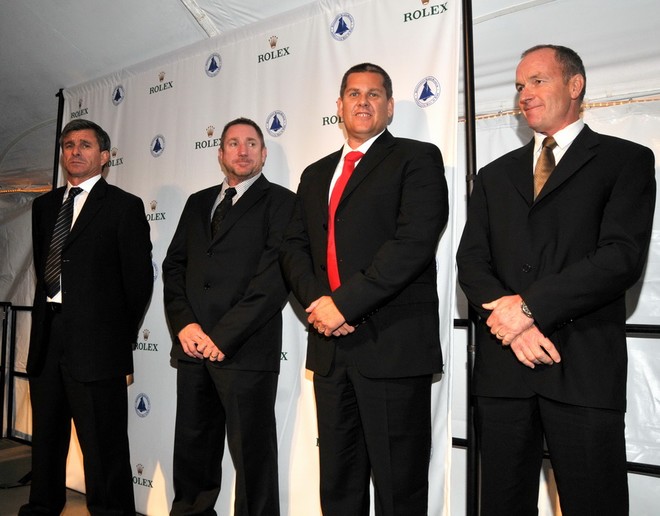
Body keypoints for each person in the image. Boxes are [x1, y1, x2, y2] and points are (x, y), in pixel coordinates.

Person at [456, 44, 656, 515]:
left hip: (582, 367)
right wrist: (515, 325)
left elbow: (621, 258)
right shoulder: (492, 175)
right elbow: (471, 263)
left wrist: (526, 309)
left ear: (575, 85)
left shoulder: (624, 160)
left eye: (537, 81)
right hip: (504, 371)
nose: (524, 94)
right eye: (520, 86)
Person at [280, 63, 448, 516]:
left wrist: (344, 304)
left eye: (375, 95)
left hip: (392, 345)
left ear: (390, 107)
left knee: (399, 486)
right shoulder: (315, 174)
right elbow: (293, 246)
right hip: (331, 350)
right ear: (339, 106)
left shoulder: (418, 158)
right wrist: (319, 304)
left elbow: (412, 245)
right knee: (338, 481)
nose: (363, 102)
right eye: (354, 93)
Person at [163, 117, 295, 516]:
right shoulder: (198, 202)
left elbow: (274, 279)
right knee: (193, 448)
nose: (243, 150)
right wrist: (185, 325)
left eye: (251, 143)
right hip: (193, 348)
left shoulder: (283, 203)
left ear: (264, 153)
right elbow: (174, 267)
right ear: (220, 154)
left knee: (252, 457)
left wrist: (223, 336)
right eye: (233, 143)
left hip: (245, 350)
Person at [22, 119, 153, 515]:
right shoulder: (43, 206)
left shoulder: (123, 206)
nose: (74, 151)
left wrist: (115, 339)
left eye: (84, 145)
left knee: (104, 448)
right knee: (45, 441)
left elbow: (138, 283)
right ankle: (41, 507)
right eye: (67, 145)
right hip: (47, 342)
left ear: (105, 156)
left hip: (98, 349)